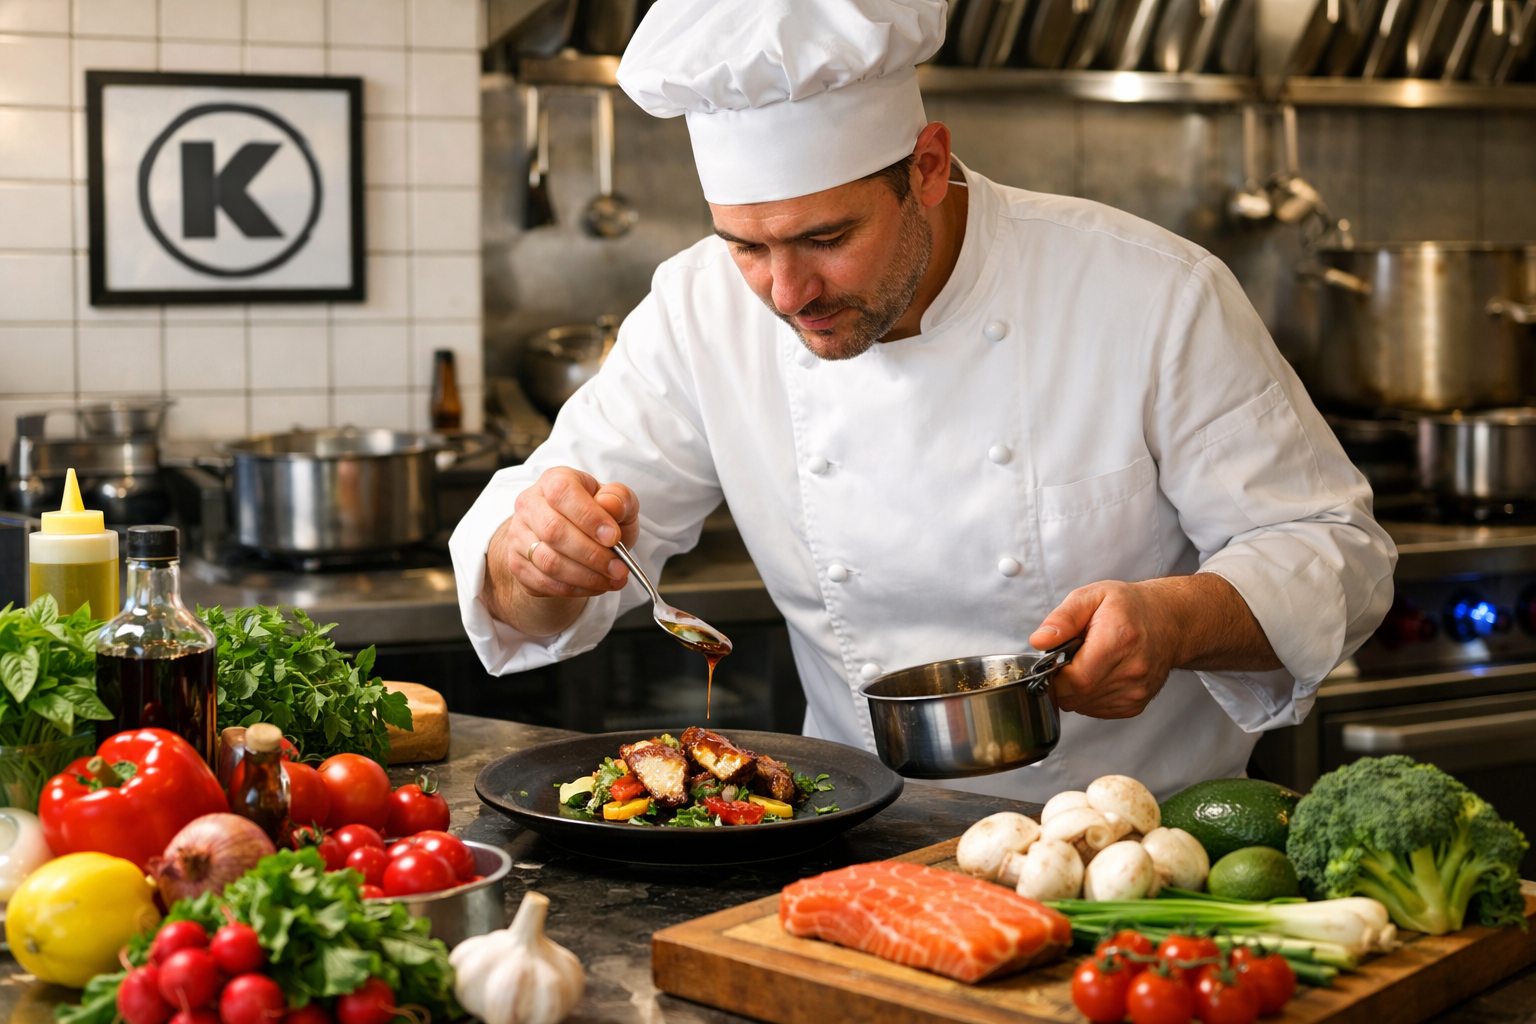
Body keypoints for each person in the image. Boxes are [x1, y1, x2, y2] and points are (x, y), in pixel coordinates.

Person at [450, 0, 1396, 800]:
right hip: (860, 845)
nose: (787, 293)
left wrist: (1178, 619)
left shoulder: (1153, 293)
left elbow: (1336, 554)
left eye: (827, 238)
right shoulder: (697, 310)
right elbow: (525, 585)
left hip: (1132, 851)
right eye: (747, 246)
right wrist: (538, 557)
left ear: (928, 168)